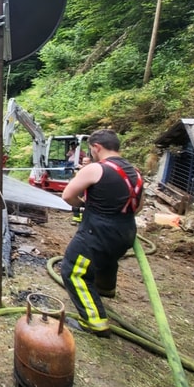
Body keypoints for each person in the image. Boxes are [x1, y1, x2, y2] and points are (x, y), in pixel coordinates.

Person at [60, 129, 143, 337]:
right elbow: (138, 206)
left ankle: (94, 322)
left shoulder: (96, 169)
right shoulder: (135, 172)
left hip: (97, 230)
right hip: (126, 230)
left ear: (97, 147)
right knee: (106, 258)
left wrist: (83, 205)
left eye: (91, 150)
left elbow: (68, 195)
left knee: (72, 270)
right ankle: (106, 288)